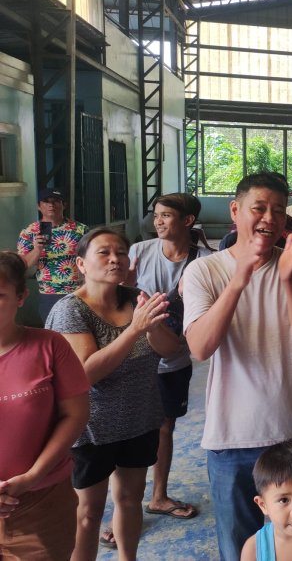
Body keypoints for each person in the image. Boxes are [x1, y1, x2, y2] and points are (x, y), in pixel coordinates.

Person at [183, 172, 292, 561]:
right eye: (259, 208)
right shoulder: (205, 271)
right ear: (236, 211)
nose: (269, 218)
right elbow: (200, 347)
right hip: (233, 440)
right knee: (239, 550)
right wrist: (239, 279)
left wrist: (288, 281)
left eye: (278, 211)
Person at [46, 228, 180, 561]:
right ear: (81, 263)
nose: (115, 258)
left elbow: (170, 350)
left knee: (131, 500)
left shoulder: (138, 297)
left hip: (140, 420)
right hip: (91, 429)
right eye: (103, 252)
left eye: (120, 252)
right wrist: (135, 329)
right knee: (89, 513)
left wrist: (152, 327)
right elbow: (86, 372)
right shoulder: (71, 310)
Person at [95, 194, 207, 548]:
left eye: (167, 216)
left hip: (173, 359)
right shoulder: (140, 251)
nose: (158, 222)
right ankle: (120, 510)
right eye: (156, 215)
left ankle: (158, 496)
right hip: (132, 355)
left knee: (164, 428)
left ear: (187, 221)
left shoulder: (203, 261)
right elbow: (113, 295)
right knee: (123, 431)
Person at [0, 251, 89, 560]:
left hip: (41, 503)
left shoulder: (49, 346)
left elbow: (74, 415)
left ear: (21, 296)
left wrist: (34, 475)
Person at [17, 188, 88, 321]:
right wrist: (37, 249)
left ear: (64, 205)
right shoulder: (29, 232)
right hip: (50, 293)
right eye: (46, 201)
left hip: (80, 291)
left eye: (56, 201)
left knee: (82, 332)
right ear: (39, 206)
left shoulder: (80, 229)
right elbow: (23, 265)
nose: (51, 205)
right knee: (54, 334)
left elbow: (92, 259)